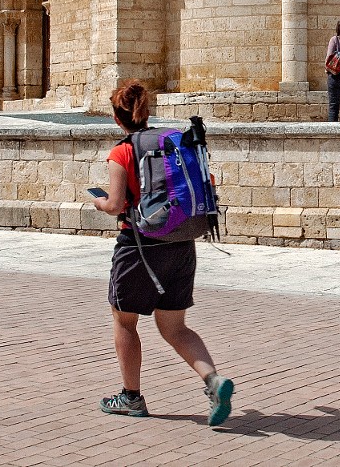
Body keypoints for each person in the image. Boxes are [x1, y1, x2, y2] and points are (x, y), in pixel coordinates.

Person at [87, 79, 233, 426]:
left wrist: (100, 202)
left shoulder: (122, 152)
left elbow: (116, 204)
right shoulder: (173, 140)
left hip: (139, 247)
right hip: (181, 243)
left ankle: (131, 397)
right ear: (147, 112)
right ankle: (213, 381)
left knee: (124, 320)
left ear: (116, 118)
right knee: (175, 327)